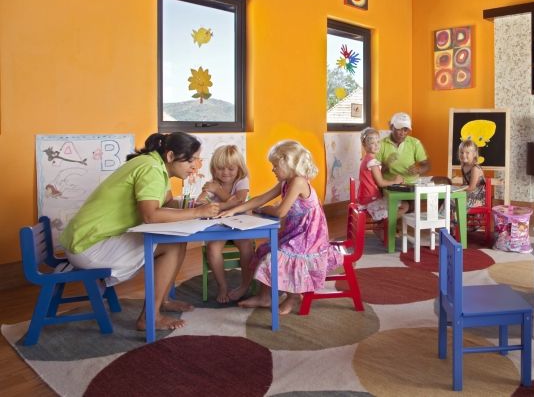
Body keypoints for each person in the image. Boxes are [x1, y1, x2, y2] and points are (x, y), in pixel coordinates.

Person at [59, 132, 220, 331]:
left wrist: (192, 205)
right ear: (170, 156)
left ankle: (163, 300)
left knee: (177, 241)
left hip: (86, 239)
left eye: (197, 159)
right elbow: (150, 215)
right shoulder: (151, 169)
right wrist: (196, 212)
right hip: (87, 247)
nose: (196, 166)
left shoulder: (156, 166)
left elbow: (168, 203)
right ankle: (149, 317)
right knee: (171, 246)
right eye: (191, 160)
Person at [220, 140, 343, 315]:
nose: (273, 170)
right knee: (266, 249)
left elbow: (280, 212)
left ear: (289, 164)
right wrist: (235, 210)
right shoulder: (286, 182)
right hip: (295, 232)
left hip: (308, 237)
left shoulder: (298, 182)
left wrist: (263, 209)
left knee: (279, 258)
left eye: (276, 166)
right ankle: (265, 297)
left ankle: (294, 296)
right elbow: (261, 198)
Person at [195, 145, 253, 303]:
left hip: (240, 224)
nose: (225, 172)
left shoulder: (241, 181)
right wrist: (204, 200)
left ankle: (245, 285)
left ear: (239, 168)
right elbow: (201, 201)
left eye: (231, 168)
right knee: (212, 248)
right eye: (220, 168)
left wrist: (218, 194)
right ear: (214, 169)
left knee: (246, 246)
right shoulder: (213, 183)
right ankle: (223, 286)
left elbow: (239, 201)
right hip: (219, 226)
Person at [358, 127, 407, 222]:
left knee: (398, 203)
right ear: (364, 145)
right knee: (405, 206)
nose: (376, 145)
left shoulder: (366, 159)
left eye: (378, 142)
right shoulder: (372, 162)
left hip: (366, 197)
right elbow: (380, 183)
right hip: (371, 200)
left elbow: (375, 178)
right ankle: (388, 225)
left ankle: (386, 223)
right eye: (372, 143)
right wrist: (395, 181)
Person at [376, 112, 430, 183]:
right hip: (390, 185)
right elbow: (374, 172)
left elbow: (426, 165)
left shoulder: (415, 143)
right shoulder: (381, 144)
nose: (402, 133)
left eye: (405, 130)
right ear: (391, 127)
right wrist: (386, 165)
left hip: (412, 184)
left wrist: (418, 170)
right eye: (399, 129)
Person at [458, 139, 486, 209]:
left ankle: (457, 216)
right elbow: (464, 185)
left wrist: (458, 190)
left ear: (474, 154)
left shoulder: (475, 168)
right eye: (461, 152)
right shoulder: (463, 167)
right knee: (450, 198)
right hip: (469, 194)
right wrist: (456, 189)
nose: (463, 155)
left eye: (467, 152)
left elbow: (471, 187)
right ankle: (443, 215)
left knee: (454, 199)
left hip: (478, 198)